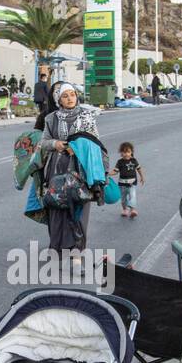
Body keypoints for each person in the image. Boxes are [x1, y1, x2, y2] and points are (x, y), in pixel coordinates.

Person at [39, 81, 107, 265]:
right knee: (56, 207)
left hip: (80, 169)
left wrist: (77, 148)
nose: (70, 99)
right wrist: (56, 144)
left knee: (79, 207)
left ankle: (77, 251)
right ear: (58, 99)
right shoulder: (51, 118)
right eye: (65, 96)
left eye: (72, 94)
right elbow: (43, 142)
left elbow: (95, 142)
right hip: (57, 168)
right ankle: (57, 249)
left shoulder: (87, 116)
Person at [115, 141, 144, 219]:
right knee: (123, 199)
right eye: (124, 152)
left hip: (132, 183)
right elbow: (116, 171)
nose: (126, 154)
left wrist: (142, 177)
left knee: (132, 196)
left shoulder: (134, 160)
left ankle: (133, 210)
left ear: (131, 152)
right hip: (122, 184)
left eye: (128, 152)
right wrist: (108, 174)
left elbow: (139, 169)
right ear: (121, 153)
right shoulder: (119, 162)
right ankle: (125, 210)